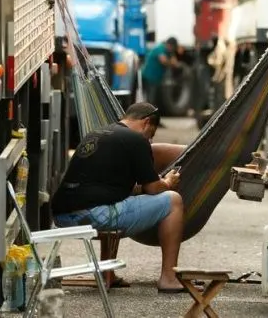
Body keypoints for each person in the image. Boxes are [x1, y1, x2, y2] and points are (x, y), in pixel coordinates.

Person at [51, 102, 186, 293]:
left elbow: (112, 189)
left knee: (114, 202)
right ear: (147, 123)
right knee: (173, 201)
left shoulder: (96, 134)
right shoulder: (137, 141)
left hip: (62, 216)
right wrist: (168, 182)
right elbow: (154, 189)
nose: (149, 140)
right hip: (94, 216)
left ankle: (108, 273)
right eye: (151, 135)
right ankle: (169, 278)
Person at [141, 37, 180, 107]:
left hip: (156, 79)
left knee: (153, 98)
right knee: (150, 98)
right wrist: (171, 63)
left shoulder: (168, 52)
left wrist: (172, 60)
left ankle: (150, 111)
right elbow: (163, 61)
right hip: (149, 77)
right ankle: (148, 113)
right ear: (169, 45)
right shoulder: (160, 49)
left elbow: (176, 63)